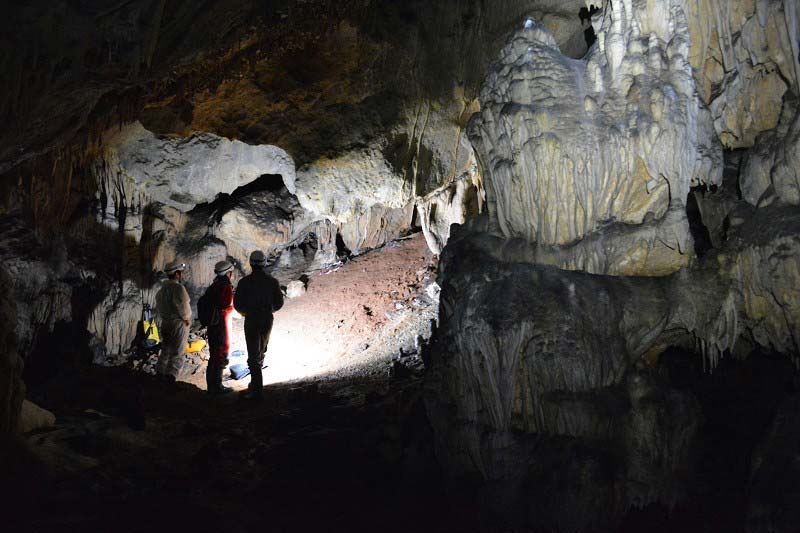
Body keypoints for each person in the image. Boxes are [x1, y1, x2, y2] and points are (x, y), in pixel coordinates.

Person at [233, 250, 284, 400]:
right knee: (262, 348)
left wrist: (246, 312)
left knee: (253, 352)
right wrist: (269, 310)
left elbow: (237, 304)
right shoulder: (272, 281)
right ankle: (256, 384)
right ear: (264, 263)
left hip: (252, 319)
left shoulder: (244, 282)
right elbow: (279, 303)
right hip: (267, 319)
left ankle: (256, 389)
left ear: (251, 263)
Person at [155, 261, 191, 384]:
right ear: (177, 274)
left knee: (166, 349)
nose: (182, 275)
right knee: (177, 352)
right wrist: (186, 319)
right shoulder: (178, 288)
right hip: (178, 324)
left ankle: (160, 373)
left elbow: (159, 307)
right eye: (180, 272)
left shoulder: (162, 289)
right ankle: (171, 378)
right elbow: (183, 306)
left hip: (165, 323)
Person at [205, 260, 235, 395]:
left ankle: (211, 386)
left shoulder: (213, 285)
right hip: (221, 324)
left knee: (214, 353)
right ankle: (217, 387)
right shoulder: (225, 286)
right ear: (228, 273)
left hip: (212, 324)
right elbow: (226, 306)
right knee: (220, 352)